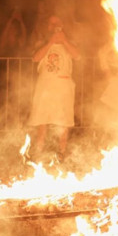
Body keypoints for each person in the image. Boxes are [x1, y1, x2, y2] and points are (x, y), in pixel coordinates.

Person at [26, 15, 80, 161]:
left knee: (64, 120)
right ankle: (39, 151)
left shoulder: (69, 43)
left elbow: (77, 55)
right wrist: (51, 42)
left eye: (58, 22)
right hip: (45, 86)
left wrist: (64, 41)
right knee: (41, 119)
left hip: (64, 86)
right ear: (47, 26)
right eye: (52, 23)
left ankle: (61, 152)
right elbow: (36, 58)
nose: (55, 25)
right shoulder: (41, 42)